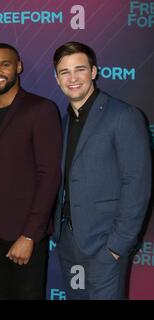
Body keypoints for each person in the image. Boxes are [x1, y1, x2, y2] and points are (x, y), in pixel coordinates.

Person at [52, 41, 151, 300]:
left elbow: (137, 183)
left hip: (104, 248)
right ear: (56, 78)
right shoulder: (63, 123)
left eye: (80, 69)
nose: (72, 78)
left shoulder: (123, 115)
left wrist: (117, 246)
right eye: (64, 72)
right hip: (69, 244)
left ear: (94, 72)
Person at [0, 43, 62, 299]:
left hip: (24, 235)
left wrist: (29, 235)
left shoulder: (41, 109)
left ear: (18, 67)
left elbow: (49, 176)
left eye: (5, 64)